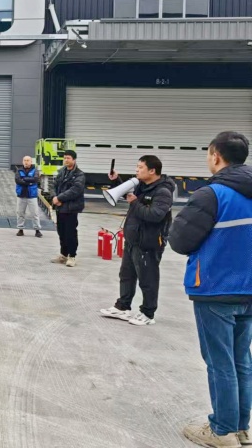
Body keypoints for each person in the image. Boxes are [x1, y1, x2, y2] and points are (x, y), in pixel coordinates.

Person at [169, 132, 252, 448]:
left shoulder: (211, 195)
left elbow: (180, 241)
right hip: (249, 289)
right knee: (241, 359)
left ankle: (222, 431)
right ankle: (242, 428)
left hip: (216, 288)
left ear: (216, 156)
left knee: (221, 362)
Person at [99, 155, 175, 326]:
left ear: (152, 171)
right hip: (133, 239)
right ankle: (123, 307)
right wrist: (116, 180)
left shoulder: (163, 191)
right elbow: (127, 193)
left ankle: (148, 313)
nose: (136, 170)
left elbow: (155, 215)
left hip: (148, 242)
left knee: (148, 279)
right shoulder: (142, 185)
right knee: (126, 275)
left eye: (140, 167)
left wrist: (135, 203)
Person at [50, 150, 86, 267]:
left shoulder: (79, 175)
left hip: (71, 208)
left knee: (70, 233)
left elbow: (75, 190)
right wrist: (54, 197)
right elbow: (53, 186)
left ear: (74, 159)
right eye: (64, 158)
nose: (66, 160)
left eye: (68, 158)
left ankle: (72, 256)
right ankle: (63, 254)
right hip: (60, 208)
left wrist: (59, 198)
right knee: (61, 232)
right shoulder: (61, 172)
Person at [15, 156, 43, 238]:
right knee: (20, 213)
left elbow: (35, 179)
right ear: (22, 161)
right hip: (21, 195)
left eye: (28, 160)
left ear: (31, 162)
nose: (26, 162)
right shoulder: (19, 170)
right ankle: (20, 229)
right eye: (25, 160)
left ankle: (37, 230)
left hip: (32, 195)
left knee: (35, 213)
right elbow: (17, 180)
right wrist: (29, 181)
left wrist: (23, 179)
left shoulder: (35, 170)